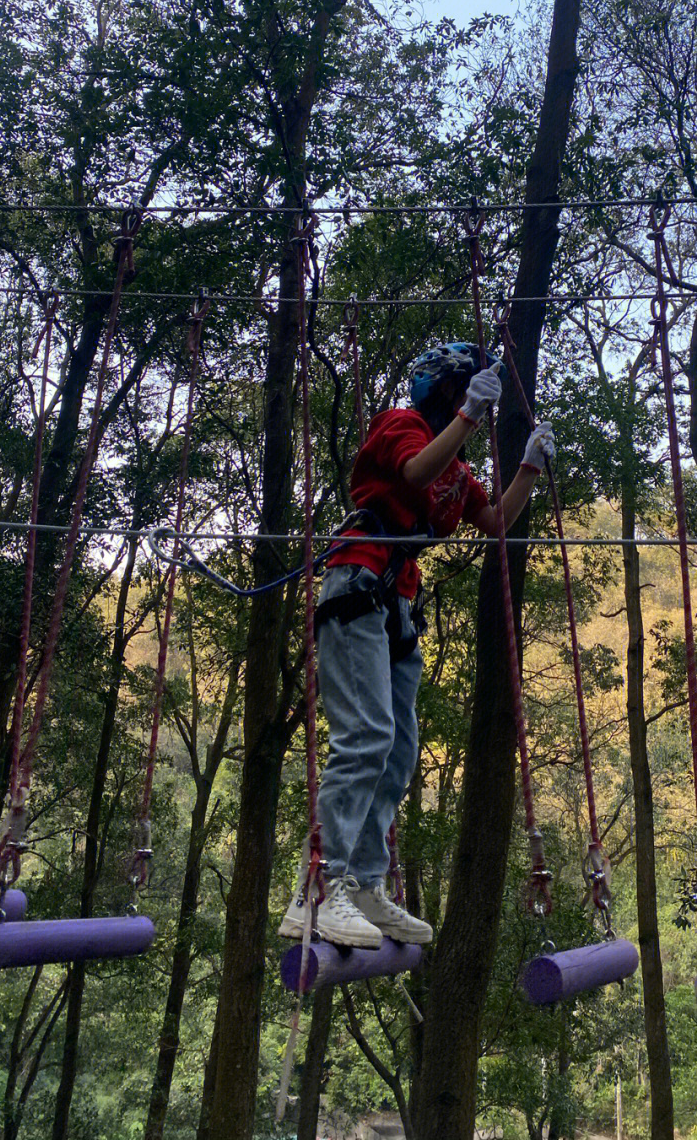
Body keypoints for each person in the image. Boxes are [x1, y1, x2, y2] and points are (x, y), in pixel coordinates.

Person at [280, 342, 555, 948]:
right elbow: (412, 474)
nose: (470, 403)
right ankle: (317, 889)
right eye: (464, 393)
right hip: (358, 579)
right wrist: (469, 419)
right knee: (366, 737)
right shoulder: (400, 426)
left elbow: (496, 522)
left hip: (397, 601)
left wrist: (530, 469)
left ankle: (363, 885)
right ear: (449, 392)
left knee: (399, 750)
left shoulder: (456, 468)